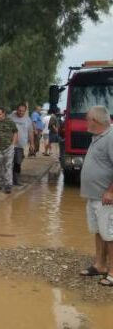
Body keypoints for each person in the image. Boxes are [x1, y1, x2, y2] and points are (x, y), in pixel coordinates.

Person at [78, 106, 113, 287]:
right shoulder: (98, 136)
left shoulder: (111, 137)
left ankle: (112, 272)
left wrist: (111, 191)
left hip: (106, 197)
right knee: (99, 232)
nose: (85, 122)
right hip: (94, 196)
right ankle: (99, 265)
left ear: (95, 121)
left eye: (87, 119)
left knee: (110, 234)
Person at [9, 103, 35, 186]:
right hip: (10, 144)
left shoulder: (28, 119)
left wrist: (32, 144)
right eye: (19, 111)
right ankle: (9, 180)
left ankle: (16, 180)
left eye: (23, 111)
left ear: (25, 111)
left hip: (20, 145)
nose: (21, 112)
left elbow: (30, 132)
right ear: (17, 109)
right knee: (8, 162)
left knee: (18, 162)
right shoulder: (10, 117)